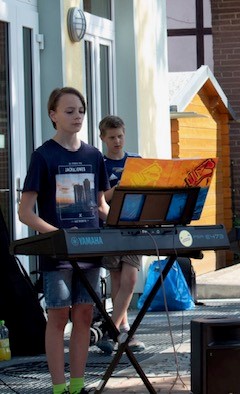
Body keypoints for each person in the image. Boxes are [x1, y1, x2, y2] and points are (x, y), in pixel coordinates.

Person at [18, 87, 110, 394]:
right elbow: (25, 213)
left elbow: (100, 205)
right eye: (69, 111)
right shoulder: (43, 156)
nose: (77, 116)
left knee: (84, 314)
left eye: (81, 111)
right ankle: (59, 388)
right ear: (53, 115)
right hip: (58, 254)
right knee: (57, 317)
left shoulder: (94, 156)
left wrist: (127, 221)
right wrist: (56, 236)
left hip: (91, 250)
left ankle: (78, 385)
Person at [94, 115, 145, 354]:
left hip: (134, 227)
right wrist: (121, 185)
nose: (117, 141)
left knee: (131, 279)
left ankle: (112, 329)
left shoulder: (135, 161)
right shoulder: (100, 164)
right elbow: (101, 198)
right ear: (103, 138)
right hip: (110, 227)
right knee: (116, 279)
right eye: (112, 137)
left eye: (120, 136)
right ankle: (124, 330)